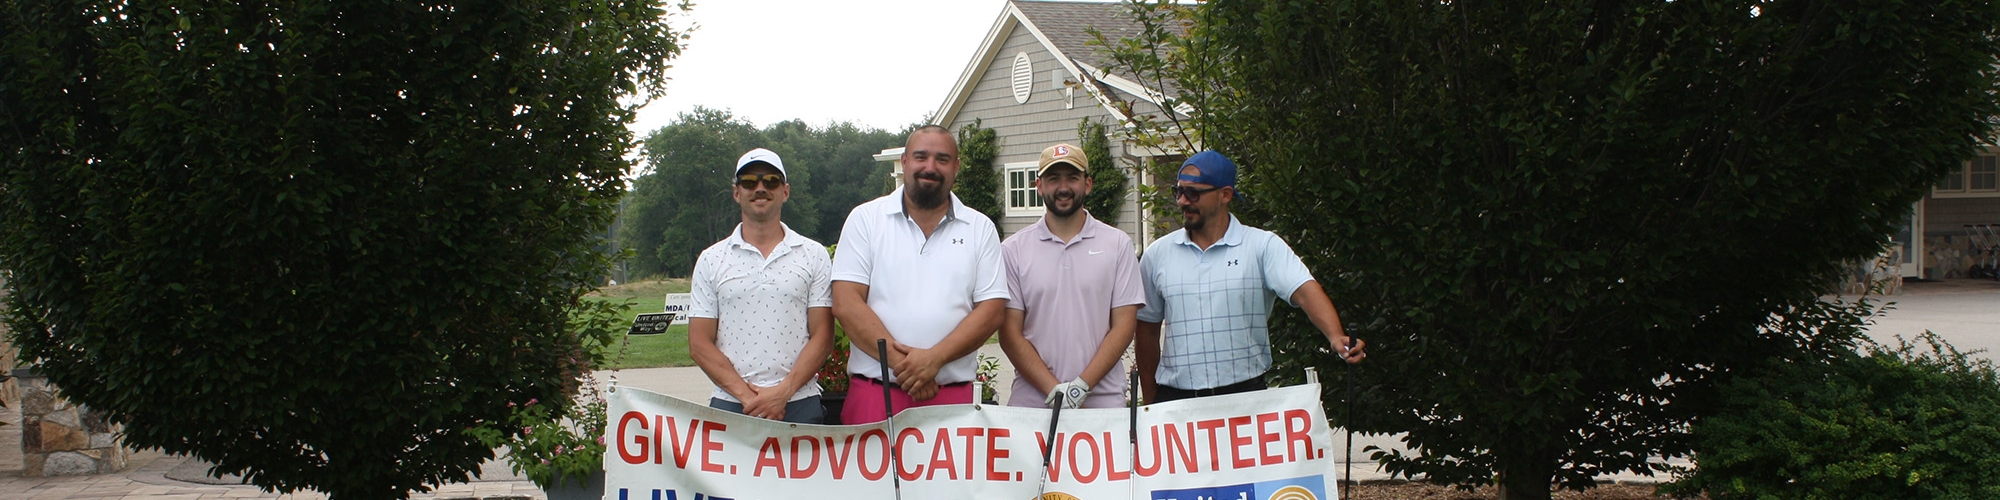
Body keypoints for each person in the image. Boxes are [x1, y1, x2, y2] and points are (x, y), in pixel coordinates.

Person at [1136, 150, 1366, 404]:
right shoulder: (1158, 254)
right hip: (1176, 400)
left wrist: (1335, 337)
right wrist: (1150, 402)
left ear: (1225, 194)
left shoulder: (1261, 245)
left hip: (1245, 398)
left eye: (1193, 193)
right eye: (1178, 191)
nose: (1182, 201)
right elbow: (1146, 329)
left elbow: (1305, 291)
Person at [831, 125, 1009, 424]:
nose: (930, 167)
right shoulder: (865, 220)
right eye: (921, 157)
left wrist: (934, 360)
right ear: (904, 162)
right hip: (876, 396)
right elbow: (847, 304)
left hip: (952, 399)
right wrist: (909, 367)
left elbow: (991, 312)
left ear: (955, 167)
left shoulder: (980, 228)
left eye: (941, 159)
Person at [687, 148, 834, 424]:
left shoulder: (813, 255)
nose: (760, 188)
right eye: (749, 181)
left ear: (785, 191)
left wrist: (783, 393)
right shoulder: (711, 259)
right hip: (731, 404)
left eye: (771, 181)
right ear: (736, 192)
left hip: (800, 403)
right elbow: (699, 343)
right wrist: (748, 397)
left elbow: (823, 335)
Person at [999, 143, 1143, 409]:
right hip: (1032, 404)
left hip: (1102, 403)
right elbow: (1009, 332)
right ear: (1038, 186)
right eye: (1053, 179)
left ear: (1087, 184)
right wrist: (1053, 389)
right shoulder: (1012, 250)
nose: (1063, 188)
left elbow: (1124, 326)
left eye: (1072, 178)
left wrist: (1081, 387)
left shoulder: (1118, 244)